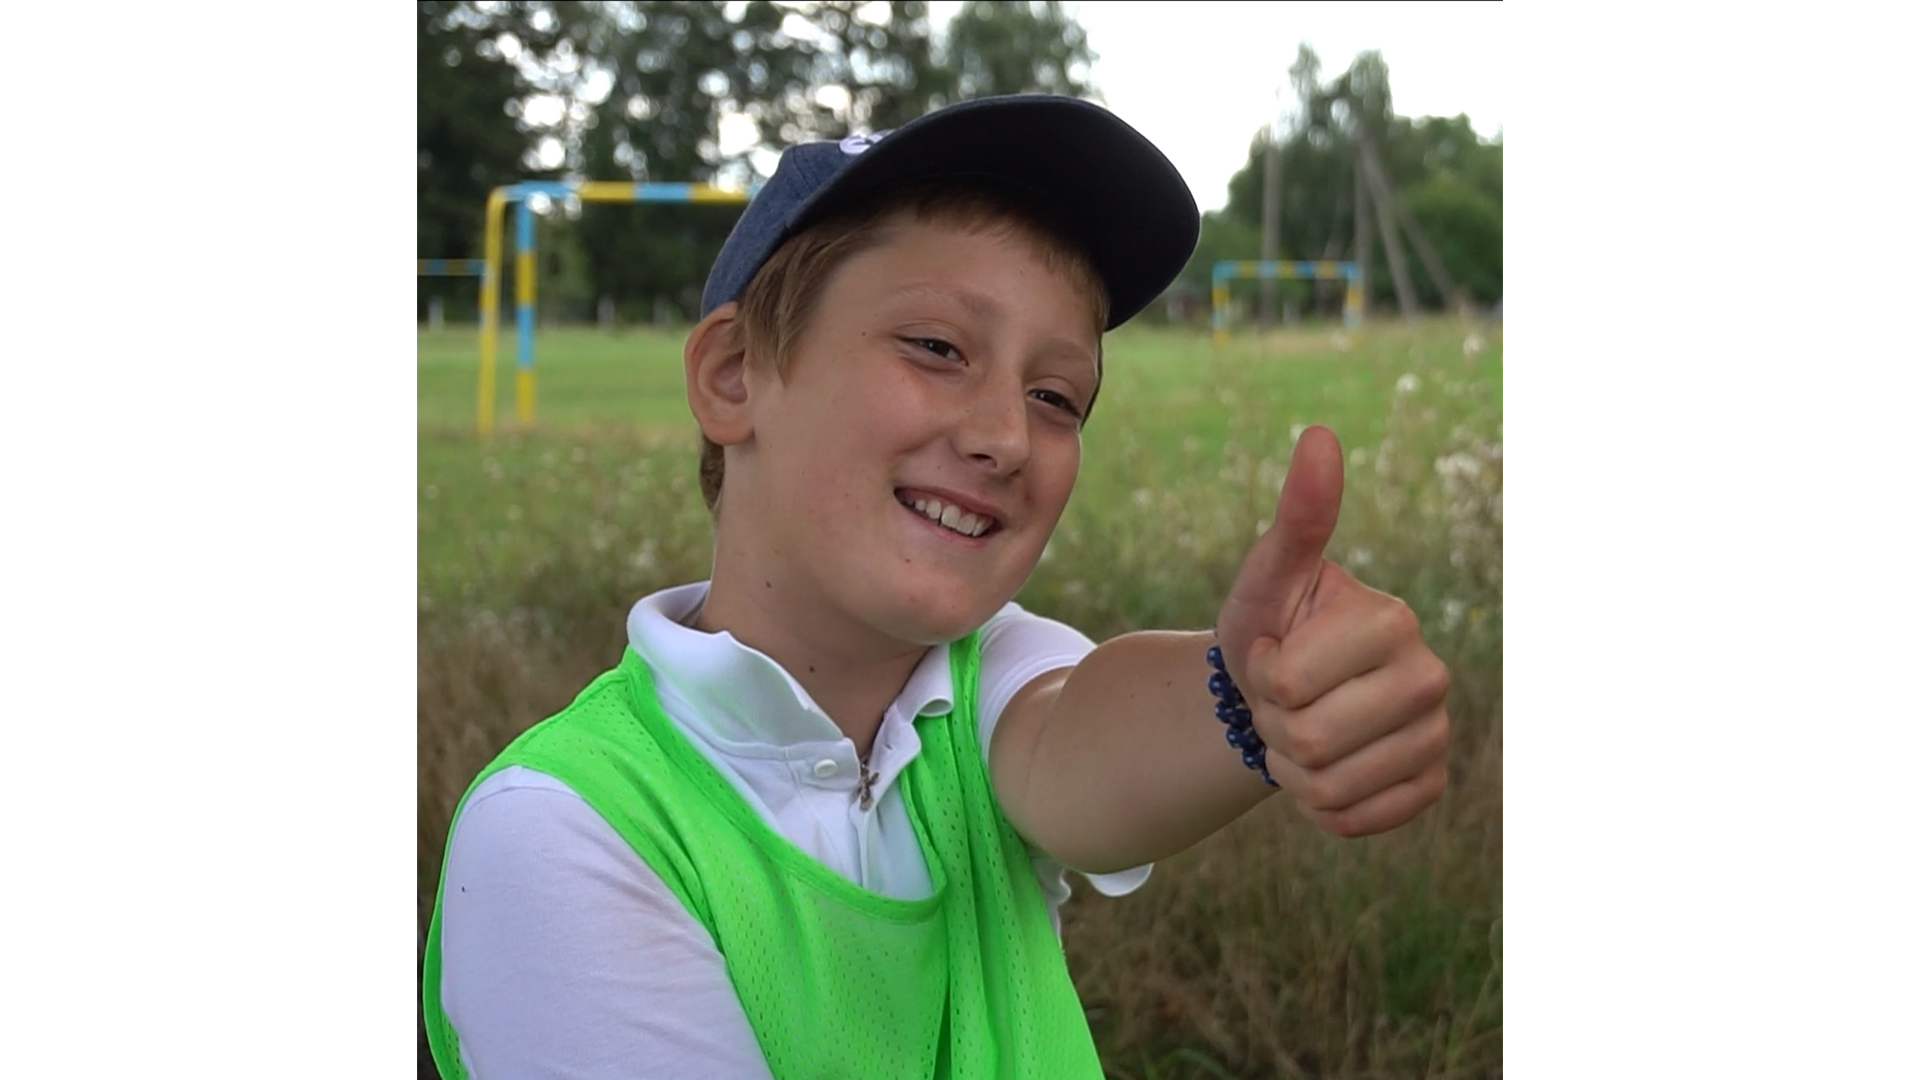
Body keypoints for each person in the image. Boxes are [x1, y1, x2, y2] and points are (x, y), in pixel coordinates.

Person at [421, 93, 1451, 1080]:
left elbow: (1082, 744)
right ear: (735, 374)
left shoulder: (985, 676)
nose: (1008, 436)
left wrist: (1250, 696)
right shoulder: (562, 833)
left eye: (1057, 396)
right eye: (937, 347)